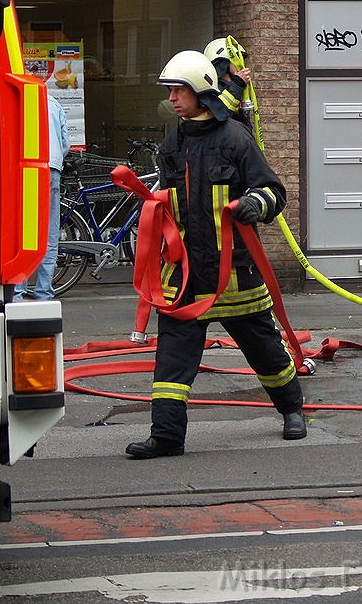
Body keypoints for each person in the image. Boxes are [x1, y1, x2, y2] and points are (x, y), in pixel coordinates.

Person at [126, 50, 305, 459]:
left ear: (200, 92)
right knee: (172, 363)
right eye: (169, 91)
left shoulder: (236, 139)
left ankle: (292, 410)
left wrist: (254, 204)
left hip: (236, 275)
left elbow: (274, 192)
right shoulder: (175, 141)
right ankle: (167, 437)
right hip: (187, 276)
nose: (172, 98)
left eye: (178, 90)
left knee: (266, 352)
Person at [14, 93, 69, 301]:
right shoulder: (54, 102)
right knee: (49, 232)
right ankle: (44, 291)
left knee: (25, 231)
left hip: (25, 168)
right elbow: (65, 144)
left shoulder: (20, 100)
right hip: (51, 168)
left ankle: (18, 291)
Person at [203, 35, 253, 129]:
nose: (241, 65)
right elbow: (219, 112)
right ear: (224, 63)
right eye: (237, 60)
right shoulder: (211, 89)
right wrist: (238, 83)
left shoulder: (236, 87)